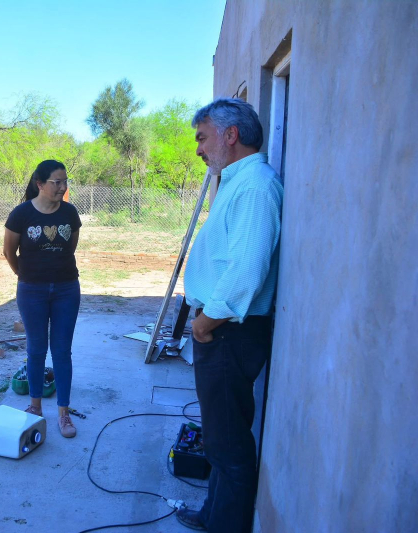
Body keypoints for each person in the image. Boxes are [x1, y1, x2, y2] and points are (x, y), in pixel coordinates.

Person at [176, 98, 284, 533]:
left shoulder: (255, 185)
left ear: (230, 134)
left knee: (230, 446)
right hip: (221, 332)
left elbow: (247, 267)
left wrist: (205, 323)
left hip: (227, 333)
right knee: (218, 438)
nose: (199, 149)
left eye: (203, 137)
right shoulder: (237, 180)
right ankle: (211, 515)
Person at [3, 160, 82, 438]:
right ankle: (35, 407)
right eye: (56, 182)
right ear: (40, 184)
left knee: (62, 351)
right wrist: (24, 275)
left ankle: (64, 414)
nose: (63, 187)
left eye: (65, 181)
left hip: (66, 289)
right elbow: (9, 252)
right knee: (35, 349)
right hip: (32, 290)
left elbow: (69, 247)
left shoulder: (70, 213)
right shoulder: (21, 214)